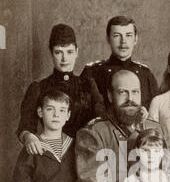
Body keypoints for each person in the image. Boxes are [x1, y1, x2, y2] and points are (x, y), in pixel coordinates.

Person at [16, 23, 105, 155]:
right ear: (51, 53)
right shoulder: (39, 88)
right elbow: (25, 126)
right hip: (53, 155)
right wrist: (28, 137)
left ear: (77, 52)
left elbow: (101, 118)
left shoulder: (88, 85)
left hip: (85, 154)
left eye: (69, 52)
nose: (64, 59)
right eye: (58, 52)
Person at [81, 15, 158, 110]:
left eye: (128, 35)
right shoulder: (93, 73)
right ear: (108, 39)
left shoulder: (146, 75)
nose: (123, 42)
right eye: (117, 35)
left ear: (135, 39)